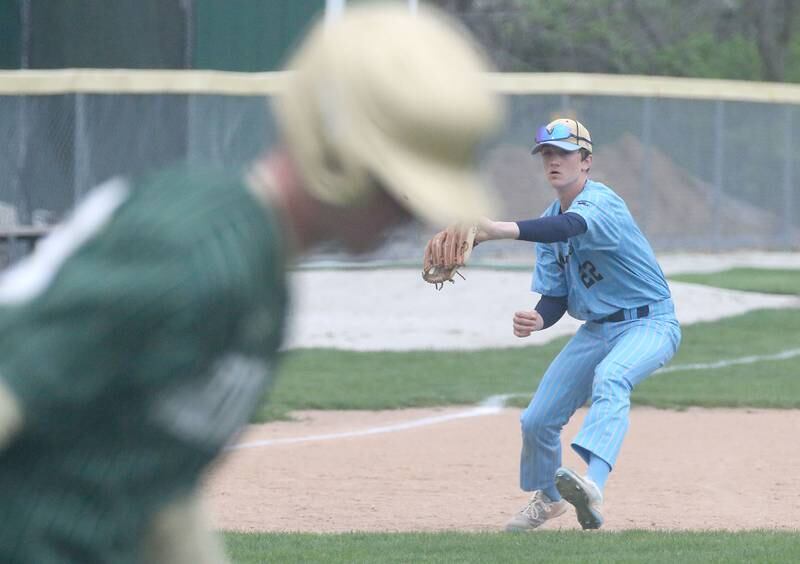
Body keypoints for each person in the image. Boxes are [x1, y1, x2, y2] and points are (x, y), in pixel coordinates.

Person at [0, 3, 503, 562]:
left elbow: (161, 489)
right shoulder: (197, 246)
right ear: (335, 149)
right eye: (397, 185)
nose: (411, 216)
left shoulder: (262, 283)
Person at [474, 118, 681, 531]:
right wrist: (539, 318)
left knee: (612, 378)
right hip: (596, 330)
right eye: (547, 154)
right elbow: (557, 298)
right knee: (537, 419)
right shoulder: (548, 220)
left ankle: (592, 485)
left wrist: (498, 229)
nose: (554, 160)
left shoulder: (601, 202)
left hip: (649, 322)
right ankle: (551, 500)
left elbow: (571, 226)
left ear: (586, 161)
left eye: (564, 153)